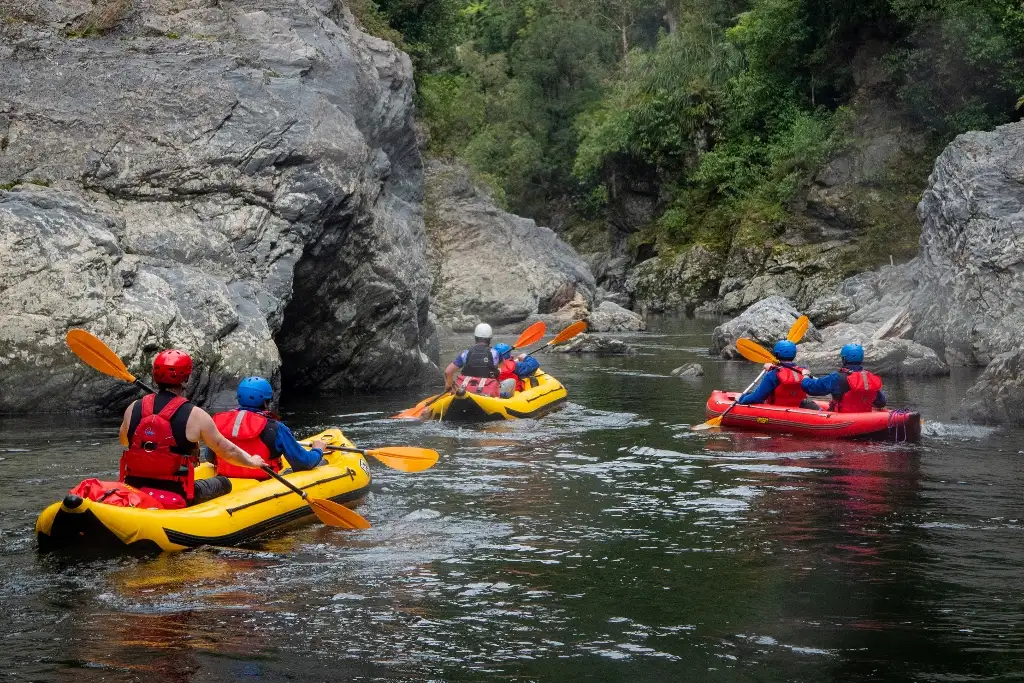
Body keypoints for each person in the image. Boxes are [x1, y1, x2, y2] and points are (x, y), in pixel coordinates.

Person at [118, 350, 266, 508]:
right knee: (224, 483)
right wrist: (252, 462)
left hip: (134, 486)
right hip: (176, 491)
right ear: (186, 378)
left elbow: (124, 440)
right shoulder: (196, 415)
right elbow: (227, 451)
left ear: (155, 376)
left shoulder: (133, 408)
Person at [211, 376, 327, 479]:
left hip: (226, 480)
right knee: (323, 462)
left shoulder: (218, 423)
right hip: (264, 480)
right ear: (265, 402)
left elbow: (210, 456)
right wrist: (318, 449)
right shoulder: (276, 428)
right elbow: (303, 463)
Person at [800, 343, 886, 412]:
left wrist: (806, 376)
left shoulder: (837, 377)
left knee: (805, 403)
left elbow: (811, 388)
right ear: (861, 358)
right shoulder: (870, 377)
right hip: (866, 418)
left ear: (844, 359)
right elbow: (881, 403)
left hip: (842, 418)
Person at [736, 340, 820, 410]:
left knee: (748, 396)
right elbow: (789, 370)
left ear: (776, 355)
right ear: (794, 355)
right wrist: (771, 367)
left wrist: (741, 399)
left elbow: (757, 397)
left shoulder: (773, 374)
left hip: (777, 410)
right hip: (798, 408)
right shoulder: (803, 371)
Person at [444, 323, 501, 397]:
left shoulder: (466, 353)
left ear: (475, 337)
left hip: (464, 390)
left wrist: (449, 386)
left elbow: (448, 372)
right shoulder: (496, 353)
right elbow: (502, 373)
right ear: (490, 338)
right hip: (487, 393)